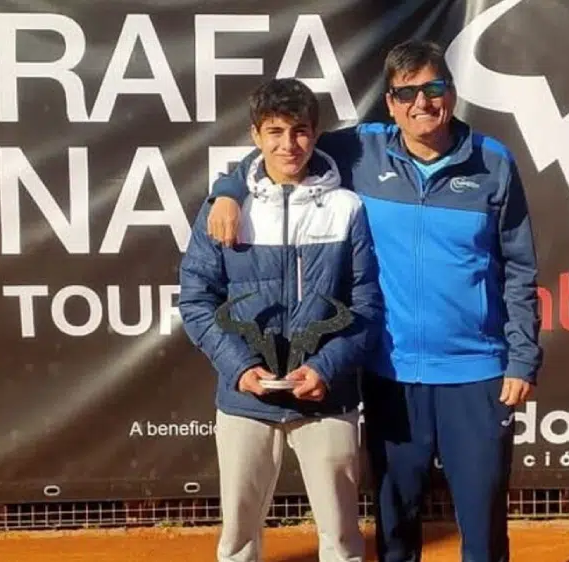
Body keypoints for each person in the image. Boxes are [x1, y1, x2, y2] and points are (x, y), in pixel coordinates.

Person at [205, 40, 542, 562]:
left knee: (483, 531)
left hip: (476, 375)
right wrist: (225, 191)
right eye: (406, 93)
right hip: (392, 374)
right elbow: (282, 147)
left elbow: (519, 268)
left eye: (433, 89)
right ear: (390, 103)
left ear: (450, 93)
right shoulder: (363, 148)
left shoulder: (494, 163)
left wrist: (521, 357)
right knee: (396, 531)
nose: (421, 104)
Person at [178, 77, 382, 562]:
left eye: (300, 131)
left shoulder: (347, 208)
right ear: (255, 135)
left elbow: (367, 307)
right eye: (275, 132)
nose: (289, 145)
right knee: (238, 542)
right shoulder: (224, 209)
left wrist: (326, 368)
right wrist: (240, 368)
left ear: (315, 134)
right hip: (246, 399)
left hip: (327, 399)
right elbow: (196, 300)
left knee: (341, 541)